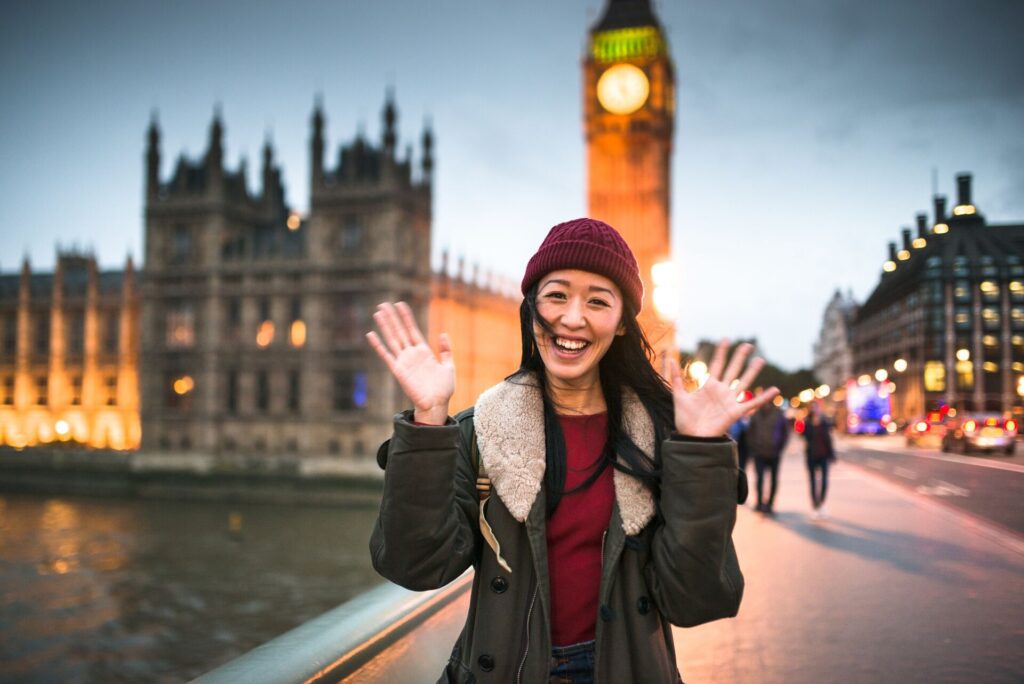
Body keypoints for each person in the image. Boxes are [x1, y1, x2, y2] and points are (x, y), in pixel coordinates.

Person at [366, 218, 779, 683]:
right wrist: (426, 423)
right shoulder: (478, 431)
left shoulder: (665, 442)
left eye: (597, 301)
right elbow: (415, 566)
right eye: (556, 295)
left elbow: (697, 600)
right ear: (531, 307)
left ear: (622, 323)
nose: (572, 317)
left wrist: (700, 452)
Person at [746, 394, 789, 514]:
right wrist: (753, 447)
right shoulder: (756, 415)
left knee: (773, 480)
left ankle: (770, 504)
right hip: (759, 453)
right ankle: (759, 503)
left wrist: (779, 448)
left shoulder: (779, 414)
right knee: (759, 479)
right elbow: (750, 432)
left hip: (774, 453)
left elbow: (785, 433)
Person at [802, 400, 836, 520]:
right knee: (812, 482)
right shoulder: (807, 423)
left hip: (823, 455)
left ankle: (821, 503)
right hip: (811, 456)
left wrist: (832, 454)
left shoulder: (825, 422)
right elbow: (804, 436)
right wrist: (812, 424)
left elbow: (829, 439)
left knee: (824, 481)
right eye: (813, 408)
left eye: (816, 407)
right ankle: (815, 506)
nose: (815, 410)